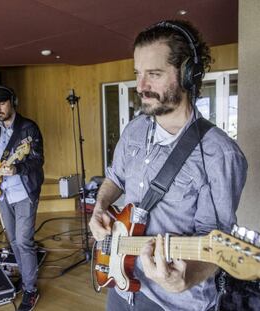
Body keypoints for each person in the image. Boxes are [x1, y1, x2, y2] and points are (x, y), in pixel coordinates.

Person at [89, 20, 247, 311]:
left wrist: (185, 280)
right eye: (138, 73)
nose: (140, 86)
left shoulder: (219, 154)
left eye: (154, 74)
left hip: (175, 302)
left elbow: (216, 246)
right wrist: (100, 207)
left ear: (187, 74)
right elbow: (115, 178)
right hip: (121, 287)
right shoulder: (134, 129)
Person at [0, 86, 44, 311]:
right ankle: (27, 278)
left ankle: (30, 289)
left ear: (13, 102)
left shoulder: (28, 128)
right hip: (1, 193)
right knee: (14, 241)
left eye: (2, 103)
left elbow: (37, 160)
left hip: (24, 191)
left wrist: (17, 169)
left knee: (24, 241)